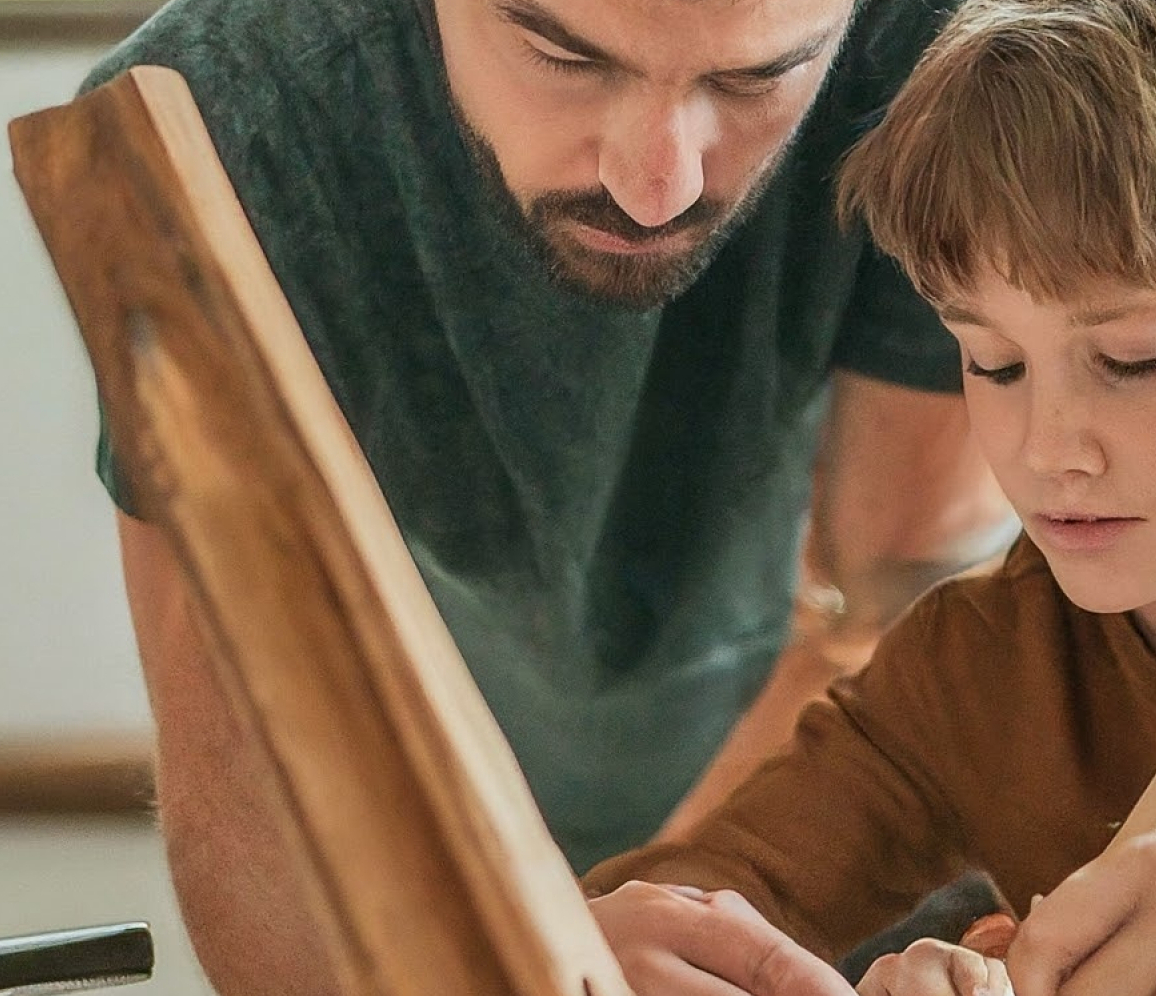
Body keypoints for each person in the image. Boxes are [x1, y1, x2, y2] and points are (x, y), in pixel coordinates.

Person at [81, 0, 1018, 991]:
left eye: (750, 82)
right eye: (564, 58)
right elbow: (244, 744)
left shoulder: (950, 57)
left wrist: (641, 920)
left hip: (820, 817)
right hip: (430, 811)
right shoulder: (215, 115)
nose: (655, 185)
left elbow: (875, 619)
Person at [581, 0, 1156, 993]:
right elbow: (690, 906)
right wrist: (600, 952)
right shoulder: (973, 665)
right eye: (993, 362)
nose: (1046, 448)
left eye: (1133, 359)